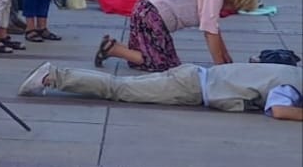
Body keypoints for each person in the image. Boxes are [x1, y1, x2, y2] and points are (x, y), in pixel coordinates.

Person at [19, 59, 302, 117]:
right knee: (118, 89)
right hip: (191, 87)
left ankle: (55, 74)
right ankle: (53, 75)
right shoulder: (291, 86)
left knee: (121, 86)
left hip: (194, 77)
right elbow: (278, 109)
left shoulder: (292, 72)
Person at [95, 0, 259, 72]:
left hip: (146, 8)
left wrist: (225, 56)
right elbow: (211, 33)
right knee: (162, 64)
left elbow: (214, 28)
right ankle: (113, 49)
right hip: (152, 14)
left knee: (161, 59)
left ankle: (113, 48)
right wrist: (220, 68)